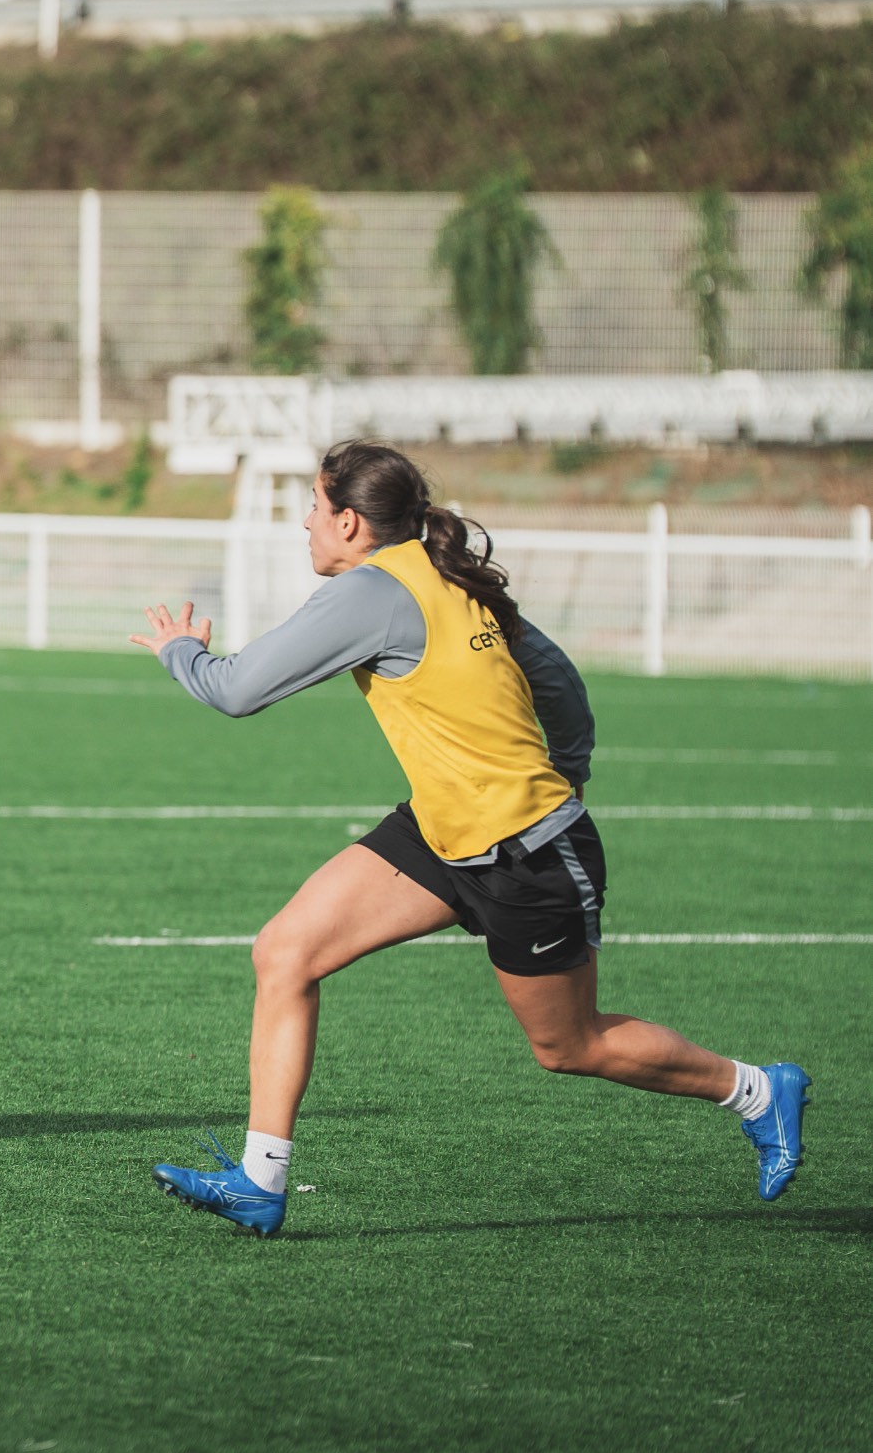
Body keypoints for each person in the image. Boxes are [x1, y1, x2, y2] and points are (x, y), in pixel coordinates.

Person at [132, 440, 807, 1236]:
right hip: (444, 832)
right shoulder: (446, 572)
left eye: (313, 510)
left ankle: (759, 1090)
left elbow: (238, 690)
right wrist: (571, 769)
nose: (306, 526)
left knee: (569, 1046)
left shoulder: (370, 593)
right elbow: (560, 684)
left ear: (350, 522)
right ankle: (260, 1179)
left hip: (528, 854)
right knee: (286, 951)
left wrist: (180, 648)